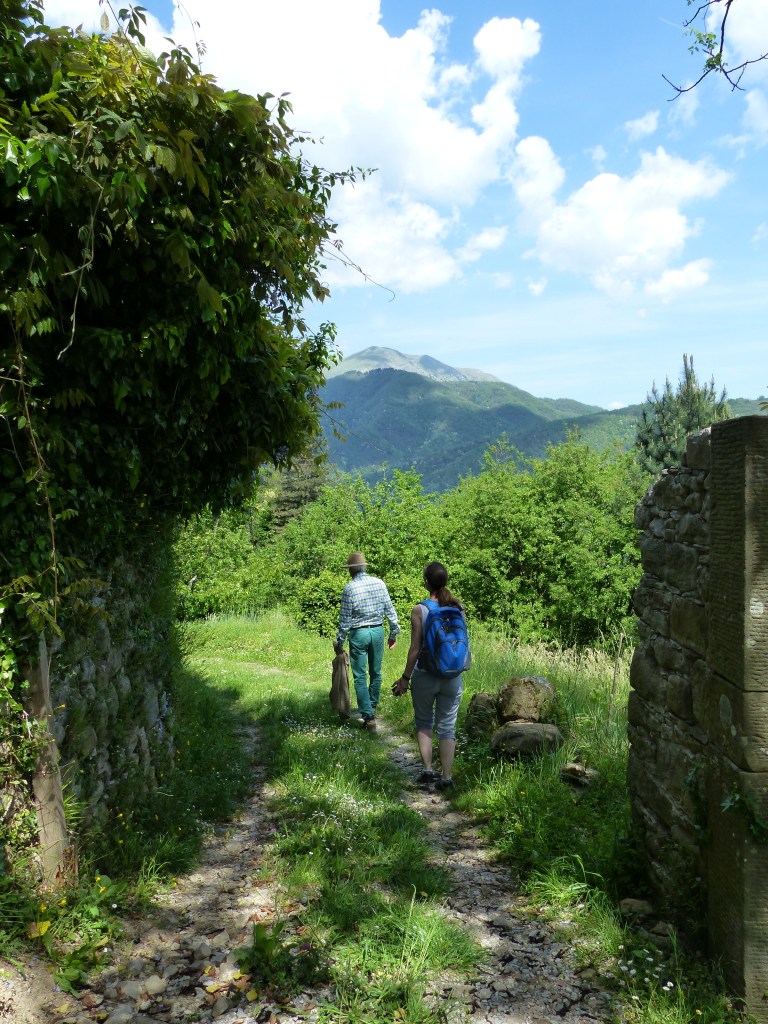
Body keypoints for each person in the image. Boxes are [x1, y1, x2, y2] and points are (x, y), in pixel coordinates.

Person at [392, 561, 467, 790]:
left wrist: (405, 678)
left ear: (426, 582)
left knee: (424, 721)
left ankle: (427, 771)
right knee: (447, 727)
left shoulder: (420, 610)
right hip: (453, 676)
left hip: (425, 675)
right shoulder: (458, 608)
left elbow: (415, 648)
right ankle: (446, 777)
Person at [334, 551, 400, 732]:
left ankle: (368, 717)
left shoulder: (349, 588)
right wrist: (393, 633)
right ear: (363, 568)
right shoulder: (379, 583)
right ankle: (372, 707)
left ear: (351, 570)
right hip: (378, 631)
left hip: (359, 634)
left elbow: (345, 620)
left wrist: (339, 643)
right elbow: (390, 612)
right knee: (376, 672)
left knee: (360, 676)